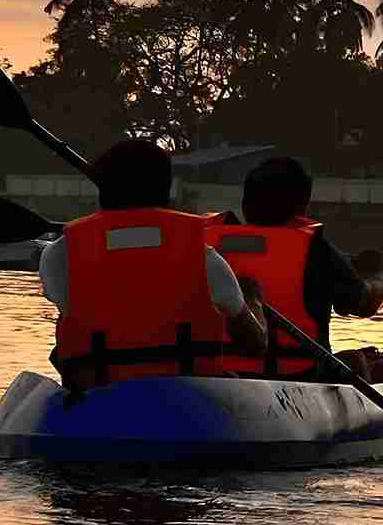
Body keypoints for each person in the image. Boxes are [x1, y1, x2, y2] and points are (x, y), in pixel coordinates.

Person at [39, 138, 267, 390]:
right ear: (167, 190)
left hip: (96, 396)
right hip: (187, 399)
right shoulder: (204, 258)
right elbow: (254, 346)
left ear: (101, 192)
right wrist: (252, 298)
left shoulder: (58, 254)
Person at [203, 156, 383, 380]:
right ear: (303, 207)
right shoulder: (317, 250)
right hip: (302, 376)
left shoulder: (207, 245)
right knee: (357, 361)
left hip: (221, 376)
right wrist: (377, 274)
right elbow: (362, 304)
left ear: (245, 204)